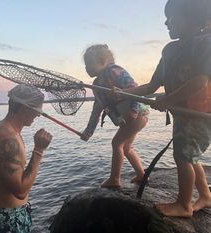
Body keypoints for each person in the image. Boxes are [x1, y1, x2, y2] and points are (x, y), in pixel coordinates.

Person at [122, 0, 211, 217]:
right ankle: (206, 196)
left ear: (192, 18)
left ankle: (184, 205)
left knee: (183, 157)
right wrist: (122, 92)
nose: (165, 22)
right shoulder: (169, 50)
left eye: (171, 17)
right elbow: (153, 85)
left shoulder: (205, 44)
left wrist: (168, 99)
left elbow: (200, 81)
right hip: (181, 114)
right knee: (188, 155)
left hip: (199, 115)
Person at [0, 84, 53, 232]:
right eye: (36, 110)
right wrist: (38, 150)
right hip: (7, 220)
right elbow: (20, 191)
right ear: (25, 109)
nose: (38, 115)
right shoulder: (8, 138)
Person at [81, 44, 149, 188]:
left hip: (138, 113)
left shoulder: (114, 71)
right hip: (130, 117)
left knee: (116, 143)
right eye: (85, 65)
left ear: (103, 61)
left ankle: (114, 179)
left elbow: (134, 87)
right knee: (126, 147)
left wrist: (133, 111)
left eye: (89, 64)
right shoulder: (96, 85)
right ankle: (141, 175)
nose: (86, 68)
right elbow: (97, 109)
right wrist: (89, 131)